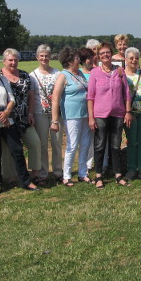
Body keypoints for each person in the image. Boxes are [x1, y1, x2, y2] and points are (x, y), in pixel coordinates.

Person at [0, 51, 40, 195]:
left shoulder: (2, 79)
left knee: (17, 151)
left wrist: (5, 113)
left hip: (7, 121)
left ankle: (26, 181)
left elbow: (11, 98)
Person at [87, 42, 132, 188]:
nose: (105, 55)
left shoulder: (119, 71)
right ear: (98, 57)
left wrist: (127, 112)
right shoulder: (95, 73)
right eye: (102, 53)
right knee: (99, 145)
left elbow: (126, 93)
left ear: (111, 54)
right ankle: (99, 175)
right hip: (100, 114)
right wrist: (91, 117)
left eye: (107, 52)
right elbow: (90, 96)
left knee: (115, 145)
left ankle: (118, 175)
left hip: (118, 113)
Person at [51, 47, 92, 186]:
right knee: (72, 145)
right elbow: (55, 98)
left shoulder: (80, 73)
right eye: (75, 58)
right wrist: (54, 120)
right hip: (72, 115)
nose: (78, 60)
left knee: (85, 144)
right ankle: (67, 175)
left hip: (86, 114)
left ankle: (82, 173)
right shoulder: (63, 76)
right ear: (68, 61)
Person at [1, 48, 42, 184]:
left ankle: (34, 172)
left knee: (35, 143)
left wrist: (30, 113)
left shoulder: (25, 75)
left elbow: (30, 95)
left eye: (15, 60)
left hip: (24, 117)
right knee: (8, 149)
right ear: (4, 61)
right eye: (10, 60)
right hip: (7, 118)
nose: (13, 63)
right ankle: (10, 176)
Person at [31, 45, 63, 184]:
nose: (44, 58)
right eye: (42, 56)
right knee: (43, 145)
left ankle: (58, 172)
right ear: (37, 57)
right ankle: (43, 173)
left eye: (47, 55)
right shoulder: (33, 75)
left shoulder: (57, 74)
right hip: (40, 113)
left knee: (57, 144)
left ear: (51, 57)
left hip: (56, 114)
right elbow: (31, 96)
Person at [124, 47, 141, 181]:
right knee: (131, 142)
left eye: (136, 58)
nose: (134, 60)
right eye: (131, 58)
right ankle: (131, 169)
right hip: (129, 114)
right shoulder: (121, 76)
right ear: (126, 60)